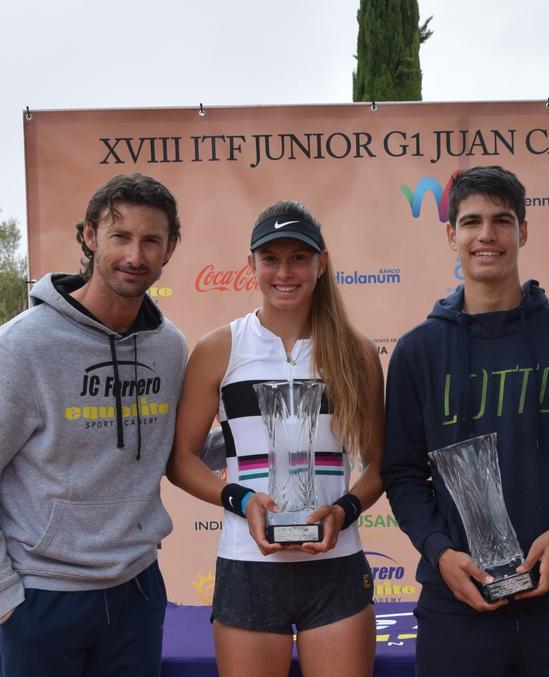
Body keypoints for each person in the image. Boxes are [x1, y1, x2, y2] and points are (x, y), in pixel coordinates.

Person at [380, 165, 549, 676]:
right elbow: (402, 475)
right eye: (471, 222)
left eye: (502, 220)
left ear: (524, 230)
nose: (486, 235)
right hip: (455, 602)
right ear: (451, 235)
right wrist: (441, 553)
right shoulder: (417, 352)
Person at [0, 173, 186, 676]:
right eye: (120, 237)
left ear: (170, 249)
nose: (135, 256)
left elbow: (180, 444)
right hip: (42, 599)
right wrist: (6, 597)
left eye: (150, 241)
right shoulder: (19, 349)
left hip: (138, 590)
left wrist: (260, 433)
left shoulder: (168, 348)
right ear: (90, 237)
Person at [166, 200, 383, 677]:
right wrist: (240, 499)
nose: (284, 272)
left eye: (298, 258)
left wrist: (343, 510)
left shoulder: (358, 353)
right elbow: (180, 459)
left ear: (321, 263)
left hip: (336, 563)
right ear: (252, 266)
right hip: (248, 566)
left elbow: (379, 463)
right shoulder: (219, 348)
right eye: (271, 259)